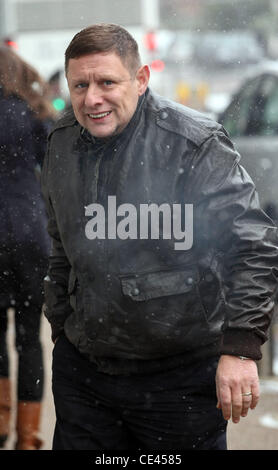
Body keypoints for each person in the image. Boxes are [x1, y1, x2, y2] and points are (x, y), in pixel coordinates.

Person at [41, 24, 278, 451]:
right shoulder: (62, 142)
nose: (91, 97)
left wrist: (241, 348)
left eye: (107, 82)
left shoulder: (193, 143)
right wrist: (61, 323)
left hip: (178, 379)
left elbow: (254, 246)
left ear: (142, 79)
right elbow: (61, 245)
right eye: (80, 84)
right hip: (85, 376)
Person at [0, 46, 54, 450]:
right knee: (29, 338)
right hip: (30, 232)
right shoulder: (33, 111)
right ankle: (29, 438)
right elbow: (50, 167)